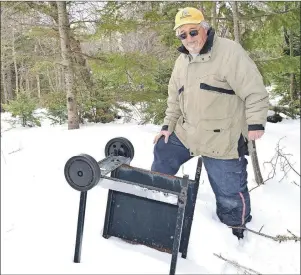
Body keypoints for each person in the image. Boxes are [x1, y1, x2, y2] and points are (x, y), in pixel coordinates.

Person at [151, 7, 269, 240]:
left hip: (221, 139)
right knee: (163, 149)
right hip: (189, 133)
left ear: (204, 29)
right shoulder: (181, 62)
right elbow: (174, 100)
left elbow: (254, 90)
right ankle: (159, 199)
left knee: (229, 196)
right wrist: (167, 127)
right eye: (182, 35)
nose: (189, 39)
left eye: (193, 32)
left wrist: (255, 123)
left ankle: (236, 230)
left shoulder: (229, 52)